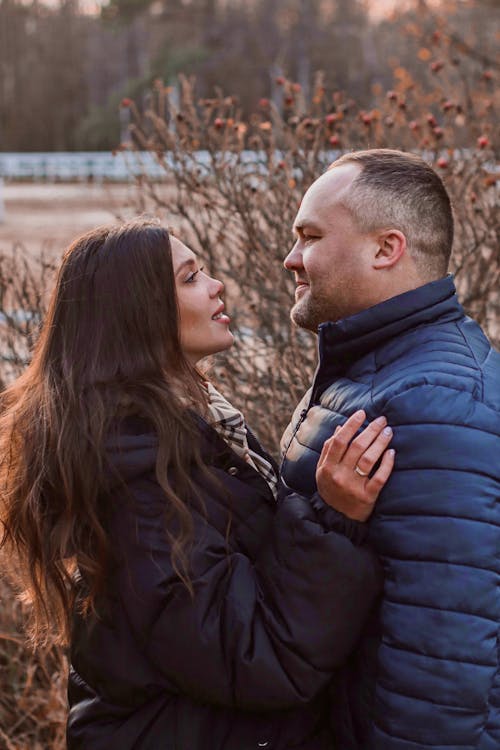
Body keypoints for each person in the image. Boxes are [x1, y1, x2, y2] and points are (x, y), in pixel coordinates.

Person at [0, 219, 395, 750]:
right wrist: (334, 520)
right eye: (190, 277)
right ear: (139, 314)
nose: (216, 286)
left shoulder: (181, 432)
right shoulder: (135, 483)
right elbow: (255, 655)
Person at [281, 148, 500, 750]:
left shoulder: (434, 400)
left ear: (387, 249)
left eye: (310, 236)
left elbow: (443, 655)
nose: (291, 258)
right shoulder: (380, 366)